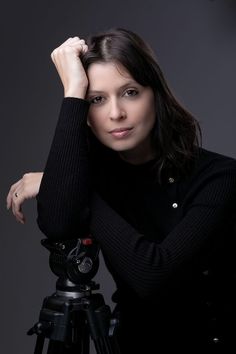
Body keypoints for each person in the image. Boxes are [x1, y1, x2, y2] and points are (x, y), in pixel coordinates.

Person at [6, 28, 236, 352]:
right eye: (96, 100)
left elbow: (153, 276)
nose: (115, 114)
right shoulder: (102, 177)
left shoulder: (220, 178)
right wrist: (73, 92)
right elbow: (57, 223)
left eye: (130, 92)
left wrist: (62, 184)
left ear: (155, 93)